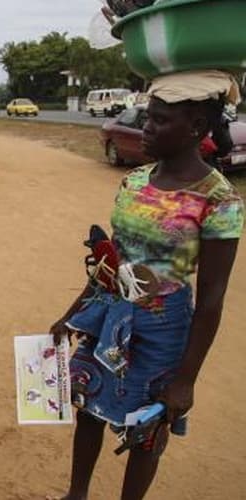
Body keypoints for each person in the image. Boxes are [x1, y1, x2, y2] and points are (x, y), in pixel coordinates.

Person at [49, 70, 243, 500]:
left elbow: (211, 300)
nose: (146, 127)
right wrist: (71, 317)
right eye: (148, 117)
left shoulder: (219, 200)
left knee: (146, 432)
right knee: (89, 410)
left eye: (159, 120)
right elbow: (109, 262)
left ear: (195, 128)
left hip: (163, 330)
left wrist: (186, 380)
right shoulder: (134, 181)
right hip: (111, 312)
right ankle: (75, 494)